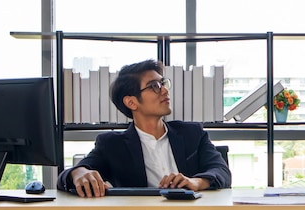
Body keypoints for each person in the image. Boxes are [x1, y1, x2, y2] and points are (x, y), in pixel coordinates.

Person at [58, 59, 232, 197]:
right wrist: (78, 172)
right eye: (154, 86)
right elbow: (70, 176)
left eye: (163, 83)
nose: (164, 90)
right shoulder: (111, 144)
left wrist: (195, 183)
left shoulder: (192, 133)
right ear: (131, 102)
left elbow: (221, 171)